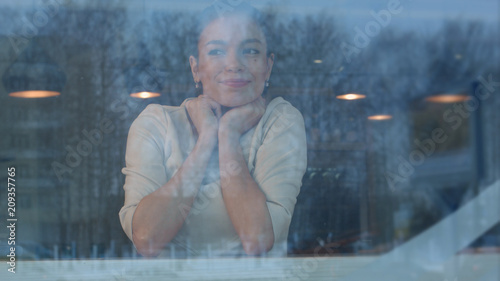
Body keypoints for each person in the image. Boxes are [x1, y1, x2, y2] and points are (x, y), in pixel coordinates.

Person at [119, 0, 307, 258]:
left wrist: (227, 135)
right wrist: (206, 139)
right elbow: (147, 237)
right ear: (196, 67)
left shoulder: (280, 121)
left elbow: (258, 240)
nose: (234, 64)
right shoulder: (157, 123)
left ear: (268, 66)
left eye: (250, 51)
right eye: (217, 51)